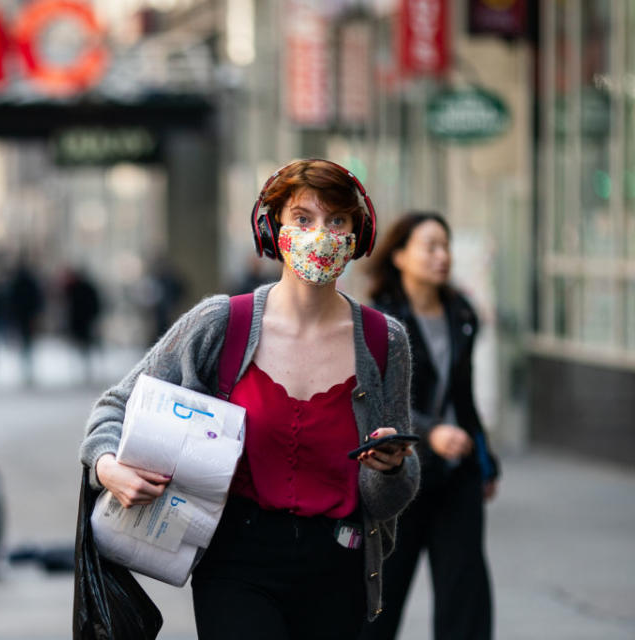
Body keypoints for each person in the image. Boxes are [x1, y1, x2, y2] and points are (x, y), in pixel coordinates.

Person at [79, 159, 421, 639]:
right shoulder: (222, 323)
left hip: (340, 563)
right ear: (271, 229)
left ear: (357, 236)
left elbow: (390, 498)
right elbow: (114, 408)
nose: (320, 234)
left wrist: (388, 470)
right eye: (303, 219)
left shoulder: (386, 342)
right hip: (236, 560)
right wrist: (107, 466)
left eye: (337, 220)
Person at [359, 212, 500, 640]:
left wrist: (485, 459)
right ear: (400, 255)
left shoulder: (460, 312)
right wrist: (430, 431)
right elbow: (377, 399)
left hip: (457, 474)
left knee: (465, 591)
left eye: (446, 246)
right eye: (430, 246)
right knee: (384, 594)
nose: (442, 256)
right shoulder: (379, 320)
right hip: (400, 472)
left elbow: (463, 393)